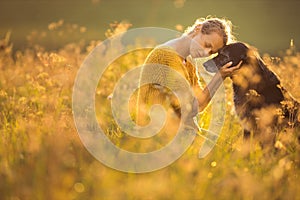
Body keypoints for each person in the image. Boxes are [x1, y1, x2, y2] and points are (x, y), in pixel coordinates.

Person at [136, 17, 242, 129]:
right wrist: (219, 77)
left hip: (175, 131)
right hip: (155, 132)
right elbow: (191, 109)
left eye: (211, 52)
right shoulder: (165, 56)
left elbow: (198, 104)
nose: (206, 53)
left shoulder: (189, 61)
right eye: (207, 44)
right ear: (197, 29)